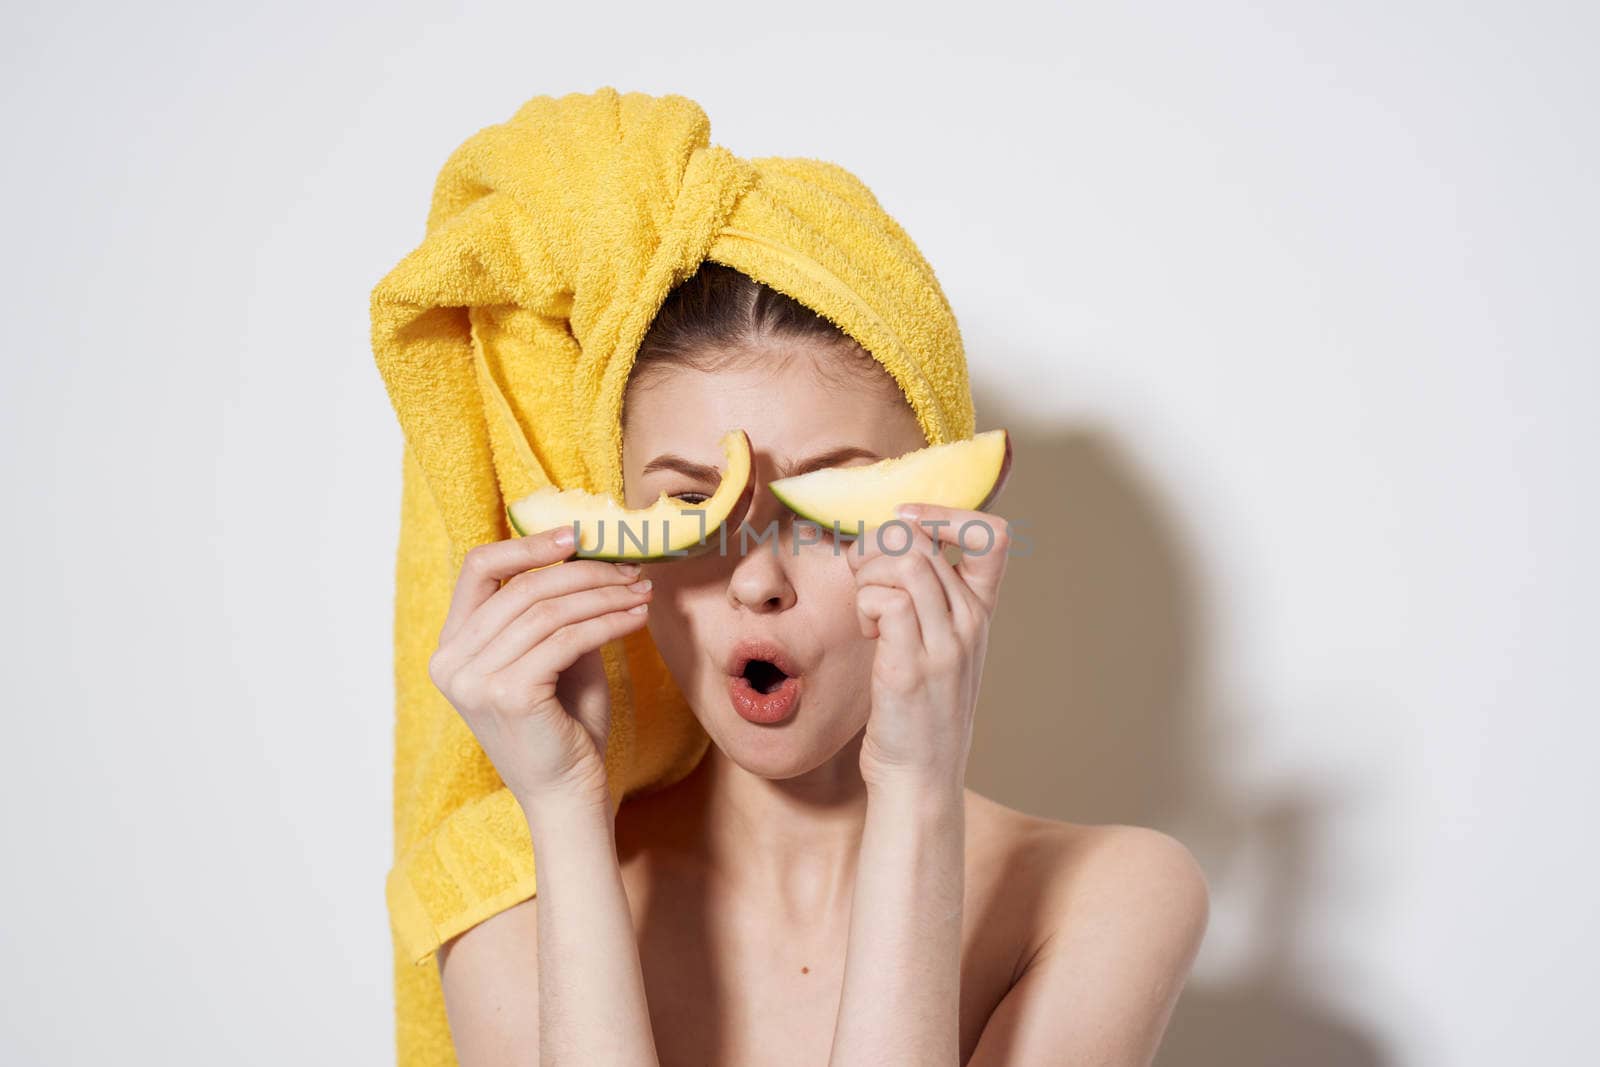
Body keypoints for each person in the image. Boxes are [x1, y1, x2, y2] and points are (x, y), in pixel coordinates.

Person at [421, 261, 1211, 1066]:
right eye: (692, 509)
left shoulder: (1111, 896)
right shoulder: (510, 911)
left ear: (937, 525)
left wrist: (915, 784)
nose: (758, 580)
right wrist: (562, 808)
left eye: (833, 506)